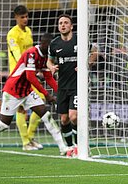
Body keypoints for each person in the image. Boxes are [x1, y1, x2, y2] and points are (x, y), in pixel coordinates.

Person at [0, 33, 68, 155]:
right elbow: (30, 77)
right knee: (4, 124)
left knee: (46, 115)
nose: (53, 49)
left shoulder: (45, 56)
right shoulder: (31, 53)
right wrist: (47, 95)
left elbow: (48, 77)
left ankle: (63, 148)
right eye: (51, 46)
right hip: (13, 91)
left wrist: (60, 92)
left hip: (27, 91)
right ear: (43, 44)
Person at [7, 5, 43, 151]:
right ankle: (25, 142)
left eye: (27, 16)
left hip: (29, 73)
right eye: (22, 17)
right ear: (16, 17)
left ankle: (30, 136)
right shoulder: (12, 34)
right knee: (21, 108)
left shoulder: (28, 31)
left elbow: (31, 53)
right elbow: (16, 54)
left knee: (41, 100)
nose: (25, 19)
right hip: (17, 75)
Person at [47, 14, 78, 157]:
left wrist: (86, 64)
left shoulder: (80, 39)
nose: (63, 25)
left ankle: (79, 145)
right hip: (63, 86)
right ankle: (70, 147)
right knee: (64, 119)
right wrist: (51, 67)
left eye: (66, 23)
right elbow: (49, 61)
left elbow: (94, 52)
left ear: (71, 26)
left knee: (73, 117)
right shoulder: (54, 44)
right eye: (60, 23)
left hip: (78, 85)